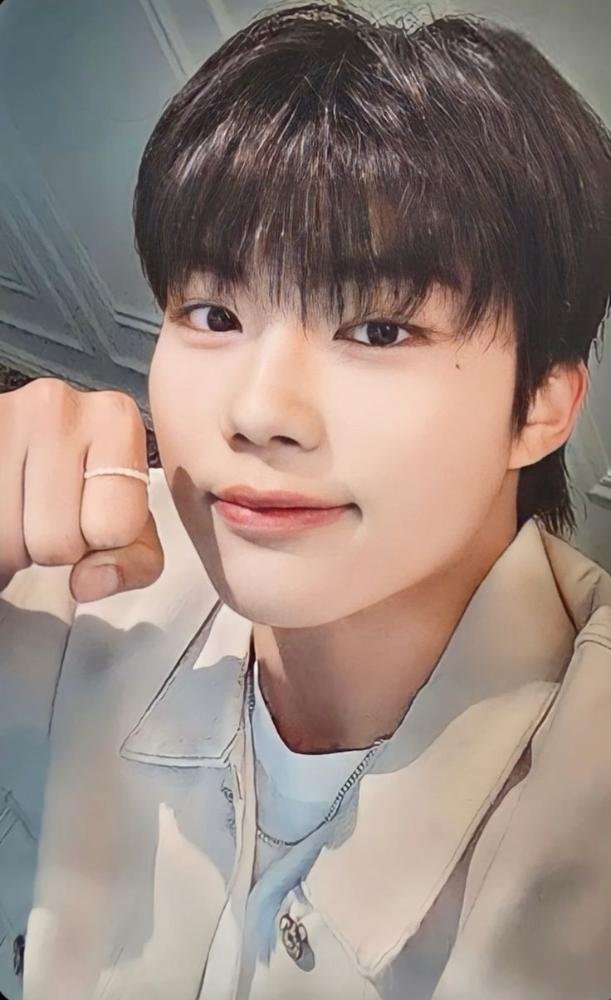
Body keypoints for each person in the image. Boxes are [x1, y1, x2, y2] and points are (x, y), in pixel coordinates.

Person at [0, 2, 610, 998]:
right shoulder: (72, 581)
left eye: (377, 330)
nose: (256, 412)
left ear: (541, 404)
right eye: (214, 314)